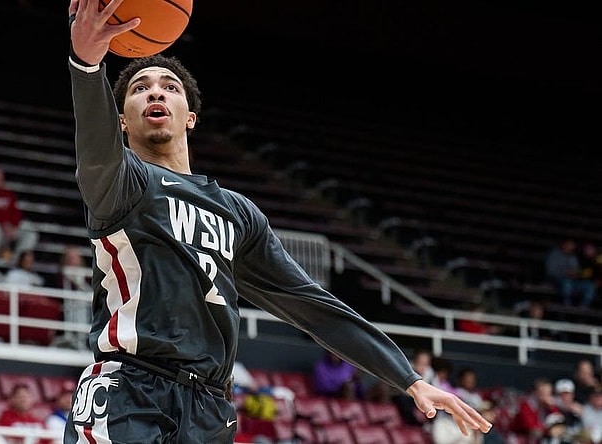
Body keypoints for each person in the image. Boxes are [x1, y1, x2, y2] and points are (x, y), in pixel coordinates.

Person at [62, 2, 493, 443]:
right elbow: (95, 151)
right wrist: (87, 64)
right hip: (129, 390)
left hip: (210, 408)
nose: (155, 93)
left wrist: (409, 378)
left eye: (169, 86)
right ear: (121, 121)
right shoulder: (124, 183)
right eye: (140, 89)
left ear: (190, 116)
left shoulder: (238, 213)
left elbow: (312, 306)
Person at [545, 238, 597, 307]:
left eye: (572, 246)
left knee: (589, 286)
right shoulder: (554, 254)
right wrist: (565, 273)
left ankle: (583, 307)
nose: (570, 247)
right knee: (567, 283)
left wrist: (575, 274)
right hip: (556, 280)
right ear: (563, 244)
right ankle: (567, 305)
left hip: (572, 281)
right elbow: (551, 271)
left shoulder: (573, 258)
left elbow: (576, 272)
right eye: (568, 245)